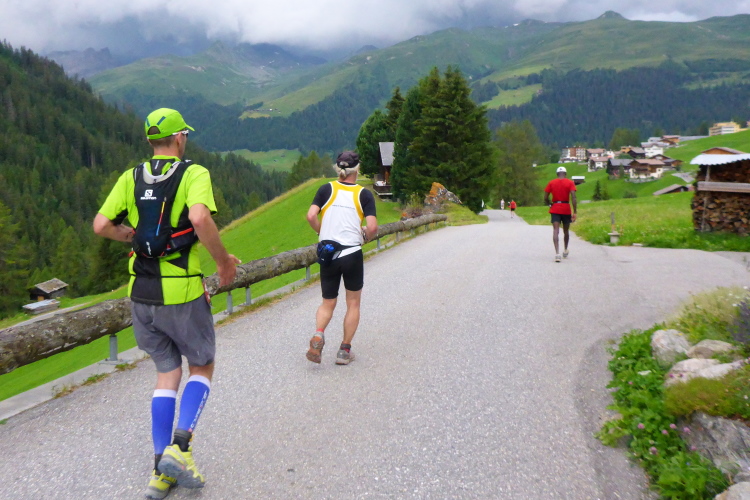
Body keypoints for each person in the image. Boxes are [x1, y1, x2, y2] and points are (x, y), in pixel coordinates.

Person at [93, 108, 240, 499]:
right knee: (202, 365)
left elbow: (101, 225)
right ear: (179, 138)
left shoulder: (130, 177)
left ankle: (161, 470)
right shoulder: (193, 173)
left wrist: (130, 236)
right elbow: (199, 218)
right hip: (182, 292)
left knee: (166, 373)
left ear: (150, 141)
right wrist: (224, 262)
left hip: (140, 294)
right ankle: (180, 446)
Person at [305, 151, 378, 365]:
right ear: (357, 169)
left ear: (338, 168)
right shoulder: (364, 194)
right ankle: (344, 351)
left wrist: (321, 232)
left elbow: (311, 215)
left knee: (328, 301)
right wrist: (365, 235)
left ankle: (318, 334)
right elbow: (372, 227)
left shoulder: (326, 189)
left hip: (328, 253)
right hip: (351, 253)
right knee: (353, 303)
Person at [544, 166, 578, 262]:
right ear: (565, 174)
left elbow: (545, 197)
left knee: (556, 230)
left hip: (555, 208)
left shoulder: (551, 182)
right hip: (566, 208)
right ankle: (565, 249)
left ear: (557, 174)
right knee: (566, 231)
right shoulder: (570, 182)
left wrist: (550, 204)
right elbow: (573, 197)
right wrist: (575, 211)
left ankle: (557, 254)